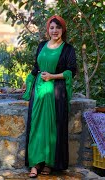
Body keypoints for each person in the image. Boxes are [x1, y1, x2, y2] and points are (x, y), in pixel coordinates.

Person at [22, 15, 77, 178]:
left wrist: (53, 77)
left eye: (58, 28)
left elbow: (71, 71)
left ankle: (49, 163)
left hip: (56, 93)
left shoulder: (68, 49)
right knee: (36, 126)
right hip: (39, 92)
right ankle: (35, 163)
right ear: (48, 30)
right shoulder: (41, 46)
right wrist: (29, 80)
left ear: (63, 30)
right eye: (52, 28)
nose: (55, 31)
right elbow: (35, 68)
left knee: (53, 127)